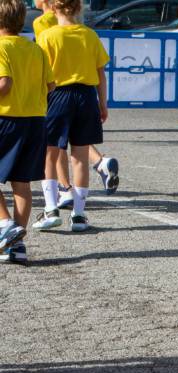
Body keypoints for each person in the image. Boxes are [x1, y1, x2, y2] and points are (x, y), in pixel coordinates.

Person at [33, 0, 111, 233]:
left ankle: (51, 209)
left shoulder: (47, 36)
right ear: (78, 9)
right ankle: (78, 214)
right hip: (86, 96)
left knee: (49, 153)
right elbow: (101, 74)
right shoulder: (89, 35)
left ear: (53, 8)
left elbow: (42, 76)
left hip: (57, 94)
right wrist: (103, 103)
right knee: (79, 156)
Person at [0, 0, 55, 264]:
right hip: (35, 120)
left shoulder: (1, 46)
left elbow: (4, 83)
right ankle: (17, 246)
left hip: (6, 118)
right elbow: (51, 85)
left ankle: (4, 225)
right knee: (22, 183)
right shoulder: (36, 48)